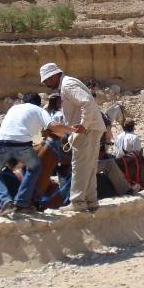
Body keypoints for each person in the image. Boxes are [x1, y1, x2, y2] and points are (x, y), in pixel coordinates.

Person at [40, 62, 106, 213]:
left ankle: (77, 202)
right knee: (89, 166)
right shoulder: (68, 83)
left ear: (55, 75)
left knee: (80, 166)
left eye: (47, 80)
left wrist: (83, 124)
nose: (46, 84)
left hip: (86, 130)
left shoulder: (67, 85)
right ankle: (91, 200)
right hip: (92, 128)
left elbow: (87, 103)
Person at [0, 92, 69, 216]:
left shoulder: (14, 108)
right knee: (35, 168)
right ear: (38, 103)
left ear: (24, 101)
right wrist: (71, 129)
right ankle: (21, 202)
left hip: (0, 142)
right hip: (22, 144)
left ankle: (6, 201)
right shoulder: (39, 110)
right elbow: (52, 126)